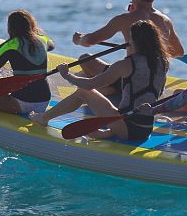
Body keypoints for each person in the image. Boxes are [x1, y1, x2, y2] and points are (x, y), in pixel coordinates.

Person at [30, 20, 169, 141]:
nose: (128, 42)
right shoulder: (163, 63)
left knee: (83, 92)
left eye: (131, 39)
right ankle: (109, 132)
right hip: (146, 128)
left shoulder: (126, 65)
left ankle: (44, 118)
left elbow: (90, 84)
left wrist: (66, 75)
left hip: (128, 128)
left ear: (136, 42)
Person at [72, 0, 183, 95]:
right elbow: (178, 52)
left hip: (131, 79)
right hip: (156, 84)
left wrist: (79, 39)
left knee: (85, 59)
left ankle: (114, 88)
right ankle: (113, 88)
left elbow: (90, 41)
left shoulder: (124, 19)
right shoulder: (165, 20)